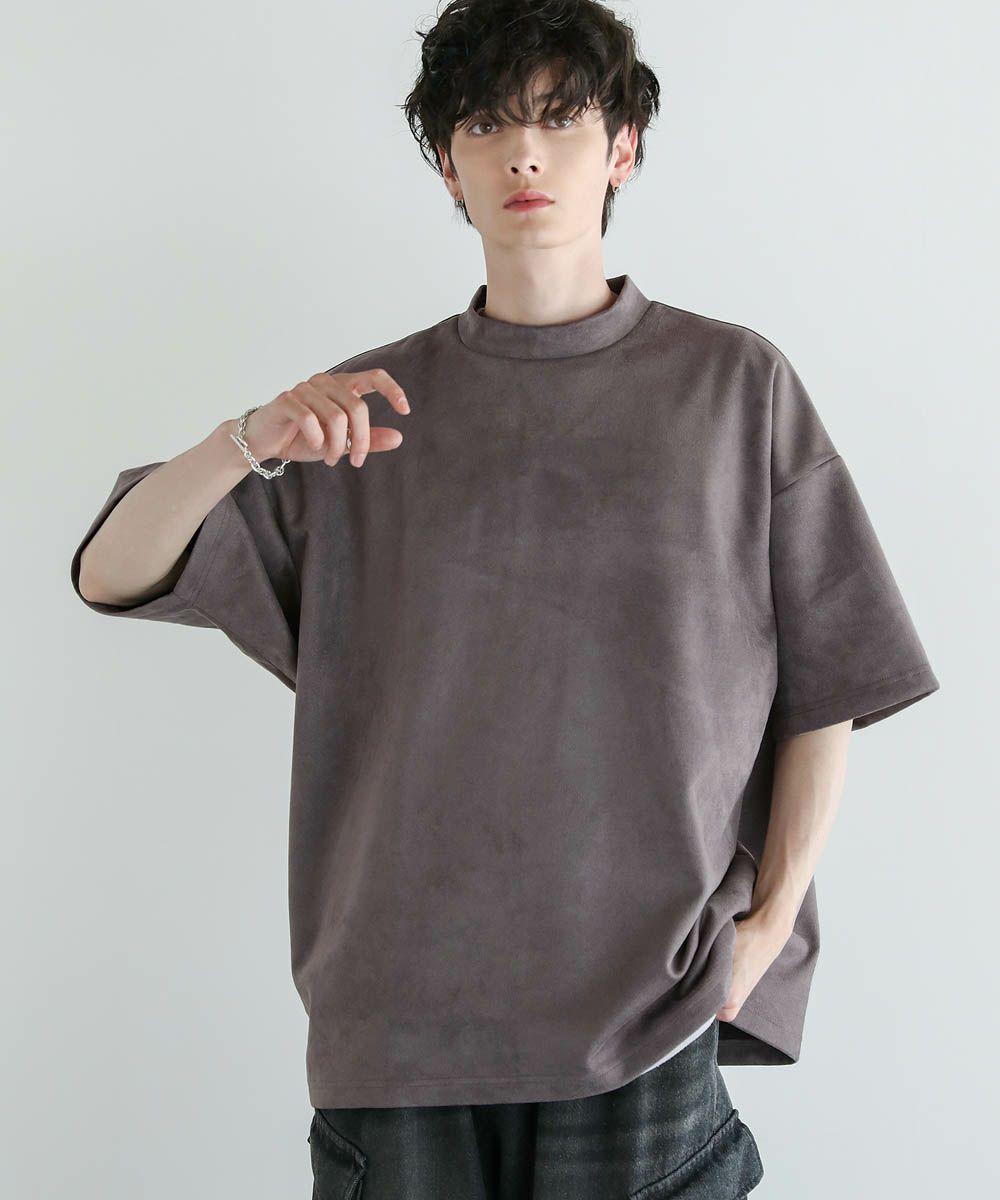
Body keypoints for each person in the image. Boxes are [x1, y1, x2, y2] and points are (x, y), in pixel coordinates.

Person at [70, 1, 940, 1196]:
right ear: (448, 166)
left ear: (621, 147)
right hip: (398, 1026)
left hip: (647, 1012)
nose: (524, 153)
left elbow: (829, 678)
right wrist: (249, 440)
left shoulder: (733, 387)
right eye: (486, 125)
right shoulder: (362, 414)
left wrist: (763, 930)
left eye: (560, 119)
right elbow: (110, 569)